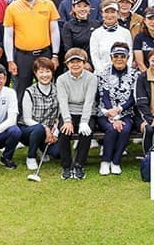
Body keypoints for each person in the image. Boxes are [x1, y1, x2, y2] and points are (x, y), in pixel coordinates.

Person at [3, 0, 61, 108]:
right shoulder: (12, 7)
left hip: (44, 53)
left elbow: (54, 30)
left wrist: (55, 55)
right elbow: (8, 35)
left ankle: (50, 118)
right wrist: (10, 60)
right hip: (22, 56)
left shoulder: (48, 4)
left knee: (47, 87)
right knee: (22, 89)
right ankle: (20, 120)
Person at [97, 42, 138, 175]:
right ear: (111, 57)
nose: (119, 59)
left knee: (125, 129)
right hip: (106, 112)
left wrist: (119, 110)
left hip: (126, 112)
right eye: (116, 56)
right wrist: (113, 117)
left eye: (122, 56)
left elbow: (133, 98)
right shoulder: (103, 73)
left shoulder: (134, 75)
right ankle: (105, 161)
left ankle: (116, 161)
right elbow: (104, 96)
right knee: (111, 129)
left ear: (128, 58)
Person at [56, 48, 97, 180]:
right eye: (71, 62)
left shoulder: (91, 78)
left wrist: (84, 121)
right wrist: (67, 121)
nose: (75, 65)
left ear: (84, 63)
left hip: (87, 112)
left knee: (86, 132)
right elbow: (62, 101)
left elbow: (89, 101)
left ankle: (79, 165)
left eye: (78, 61)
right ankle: (66, 166)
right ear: (67, 64)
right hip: (69, 111)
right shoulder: (61, 79)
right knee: (64, 132)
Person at [19, 57, 60, 170]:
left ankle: (40, 148)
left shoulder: (58, 90)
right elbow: (27, 119)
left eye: (47, 71)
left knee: (58, 153)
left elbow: (60, 116)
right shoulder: (29, 91)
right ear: (35, 74)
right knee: (38, 129)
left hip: (49, 132)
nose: (44, 75)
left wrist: (55, 133)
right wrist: (45, 128)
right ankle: (31, 157)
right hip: (29, 130)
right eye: (41, 72)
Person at [89, 0, 133, 74]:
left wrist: (125, 71)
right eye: (106, 12)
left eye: (113, 12)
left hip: (123, 74)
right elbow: (95, 56)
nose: (110, 15)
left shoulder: (125, 33)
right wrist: (103, 74)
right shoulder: (96, 34)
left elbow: (130, 54)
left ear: (118, 13)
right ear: (102, 14)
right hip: (102, 75)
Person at [60, 0, 101, 71]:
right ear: (73, 8)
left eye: (85, 6)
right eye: (79, 6)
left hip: (95, 64)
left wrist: (91, 63)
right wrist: (83, 63)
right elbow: (68, 49)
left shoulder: (96, 24)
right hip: (75, 64)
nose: (82, 9)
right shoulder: (68, 26)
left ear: (89, 8)